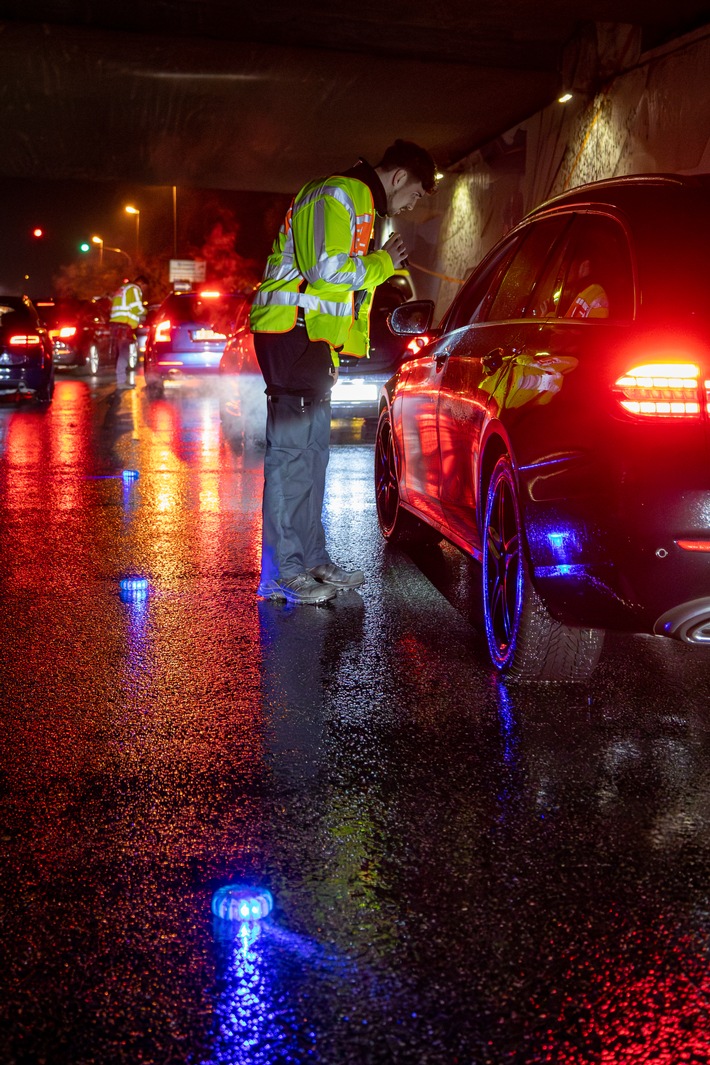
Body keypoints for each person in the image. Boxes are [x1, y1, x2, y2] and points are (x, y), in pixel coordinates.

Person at [250, 139, 438, 605]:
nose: (412, 204)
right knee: (292, 458)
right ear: (398, 177)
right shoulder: (338, 194)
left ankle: (311, 560)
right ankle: (280, 574)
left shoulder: (362, 206)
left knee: (312, 456)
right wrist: (383, 263)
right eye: (414, 194)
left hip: (313, 341)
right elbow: (326, 271)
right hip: (291, 333)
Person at [110, 274, 147, 384]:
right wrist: (146, 311)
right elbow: (136, 307)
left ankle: (119, 379)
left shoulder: (122, 289)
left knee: (120, 353)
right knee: (124, 353)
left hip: (116, 324)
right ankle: (121, 381)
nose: (143, 290)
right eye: (144, 287)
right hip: (125, 325)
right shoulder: (134, 288)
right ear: (141, 283)